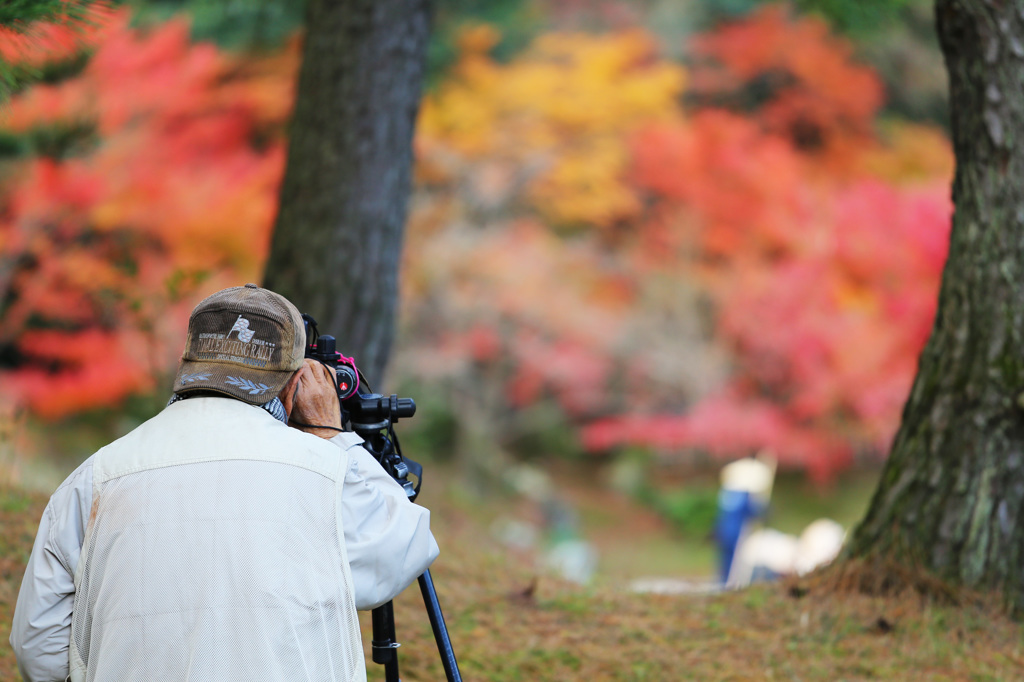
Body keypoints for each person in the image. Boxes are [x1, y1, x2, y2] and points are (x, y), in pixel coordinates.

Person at [10, 283, 439, 682]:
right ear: (294, 385)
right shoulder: (321, 472)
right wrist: (330, 434)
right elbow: (399, 550)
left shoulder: (95, 476)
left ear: (187, 367)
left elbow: (38, 650)